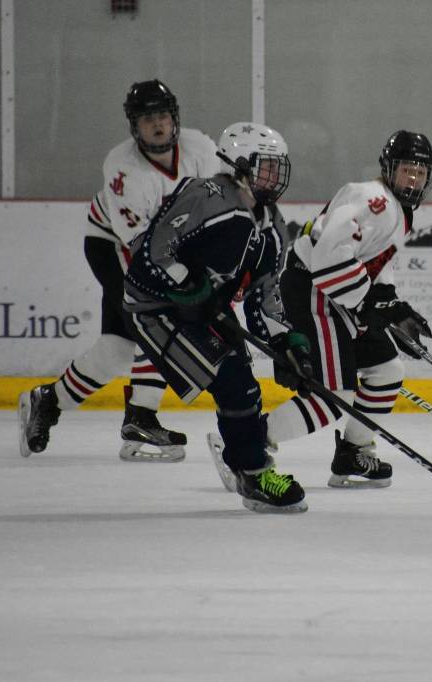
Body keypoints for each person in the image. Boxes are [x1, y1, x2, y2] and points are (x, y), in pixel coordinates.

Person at [208, 130, 432, 491]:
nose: (413, 179)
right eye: (408, 170)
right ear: (389, 169)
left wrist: (392, 305)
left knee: (387, 370)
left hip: (338, 295)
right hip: (315, 293)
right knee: (334, 397)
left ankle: (352, 454)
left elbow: (373, 264)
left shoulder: (400, 211)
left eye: (420, 173)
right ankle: (242, 444)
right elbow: (329, 262)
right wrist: (370, 303)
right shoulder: (373, 200)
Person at [18, 79, 219, 462]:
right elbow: (142, 247)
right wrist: (185, 278)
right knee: (159, 319)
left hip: (165, 245)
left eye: (162, 115)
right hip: (114, 246)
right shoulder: (123, 169)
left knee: (115, 350)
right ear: (134, 126)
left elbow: (215, 207)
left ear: (174, 118)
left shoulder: (202, 150)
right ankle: (140, 417)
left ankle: (48, 400)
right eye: (147, 118)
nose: (157, 124)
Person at [121, 121, 313, 513]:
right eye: (265, 166)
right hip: (155, 306)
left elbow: (265, 295)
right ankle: (254, 473)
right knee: (232, 377)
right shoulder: (206, 196)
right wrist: (189, 287)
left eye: (277, 167)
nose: (274, 176)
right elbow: (153, 251)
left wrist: (286, 343)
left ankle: (249, 465)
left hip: (206, 310)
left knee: (245, 385)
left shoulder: (273, 227)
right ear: (237, 165)